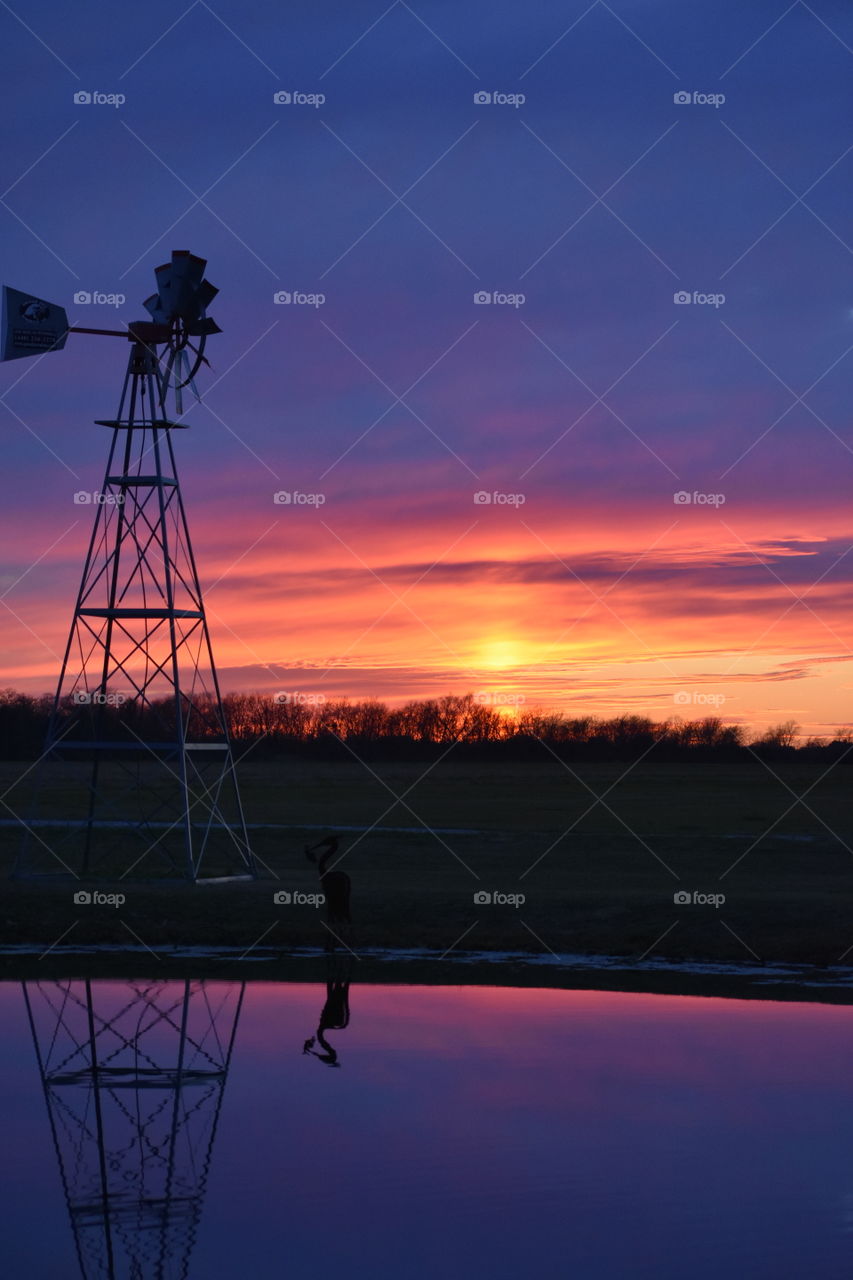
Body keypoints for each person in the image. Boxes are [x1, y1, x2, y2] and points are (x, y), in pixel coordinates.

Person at [305, 835, 351, 951]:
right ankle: (340, 937)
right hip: (339, 887)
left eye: (325, 843)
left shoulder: (330, 878)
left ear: (332, 845)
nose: (322, 844)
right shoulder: (342, 876)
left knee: (334, 910)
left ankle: (335, 937)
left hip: (335, 892)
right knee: (341, 909)